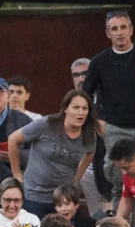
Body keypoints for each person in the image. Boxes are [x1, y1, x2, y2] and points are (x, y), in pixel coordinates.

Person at [9, 89, 97, 218]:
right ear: (65, 109)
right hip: (35, 195)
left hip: (63, 201)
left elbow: (90, 153)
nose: (81, 112)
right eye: (76, 107)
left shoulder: (88, 134)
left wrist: (76, 179)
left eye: (85, 108)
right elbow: (13, 139)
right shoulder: (46, 124)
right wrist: (17, 174)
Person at [83, 10, 135, 151]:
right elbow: (85, 95)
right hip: (115, 129)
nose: (120, 33)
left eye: (123, 27)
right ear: (108, 33)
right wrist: (96, 120)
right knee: (115, 171)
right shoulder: (99, 62)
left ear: (131, 30)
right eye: (114, 29)